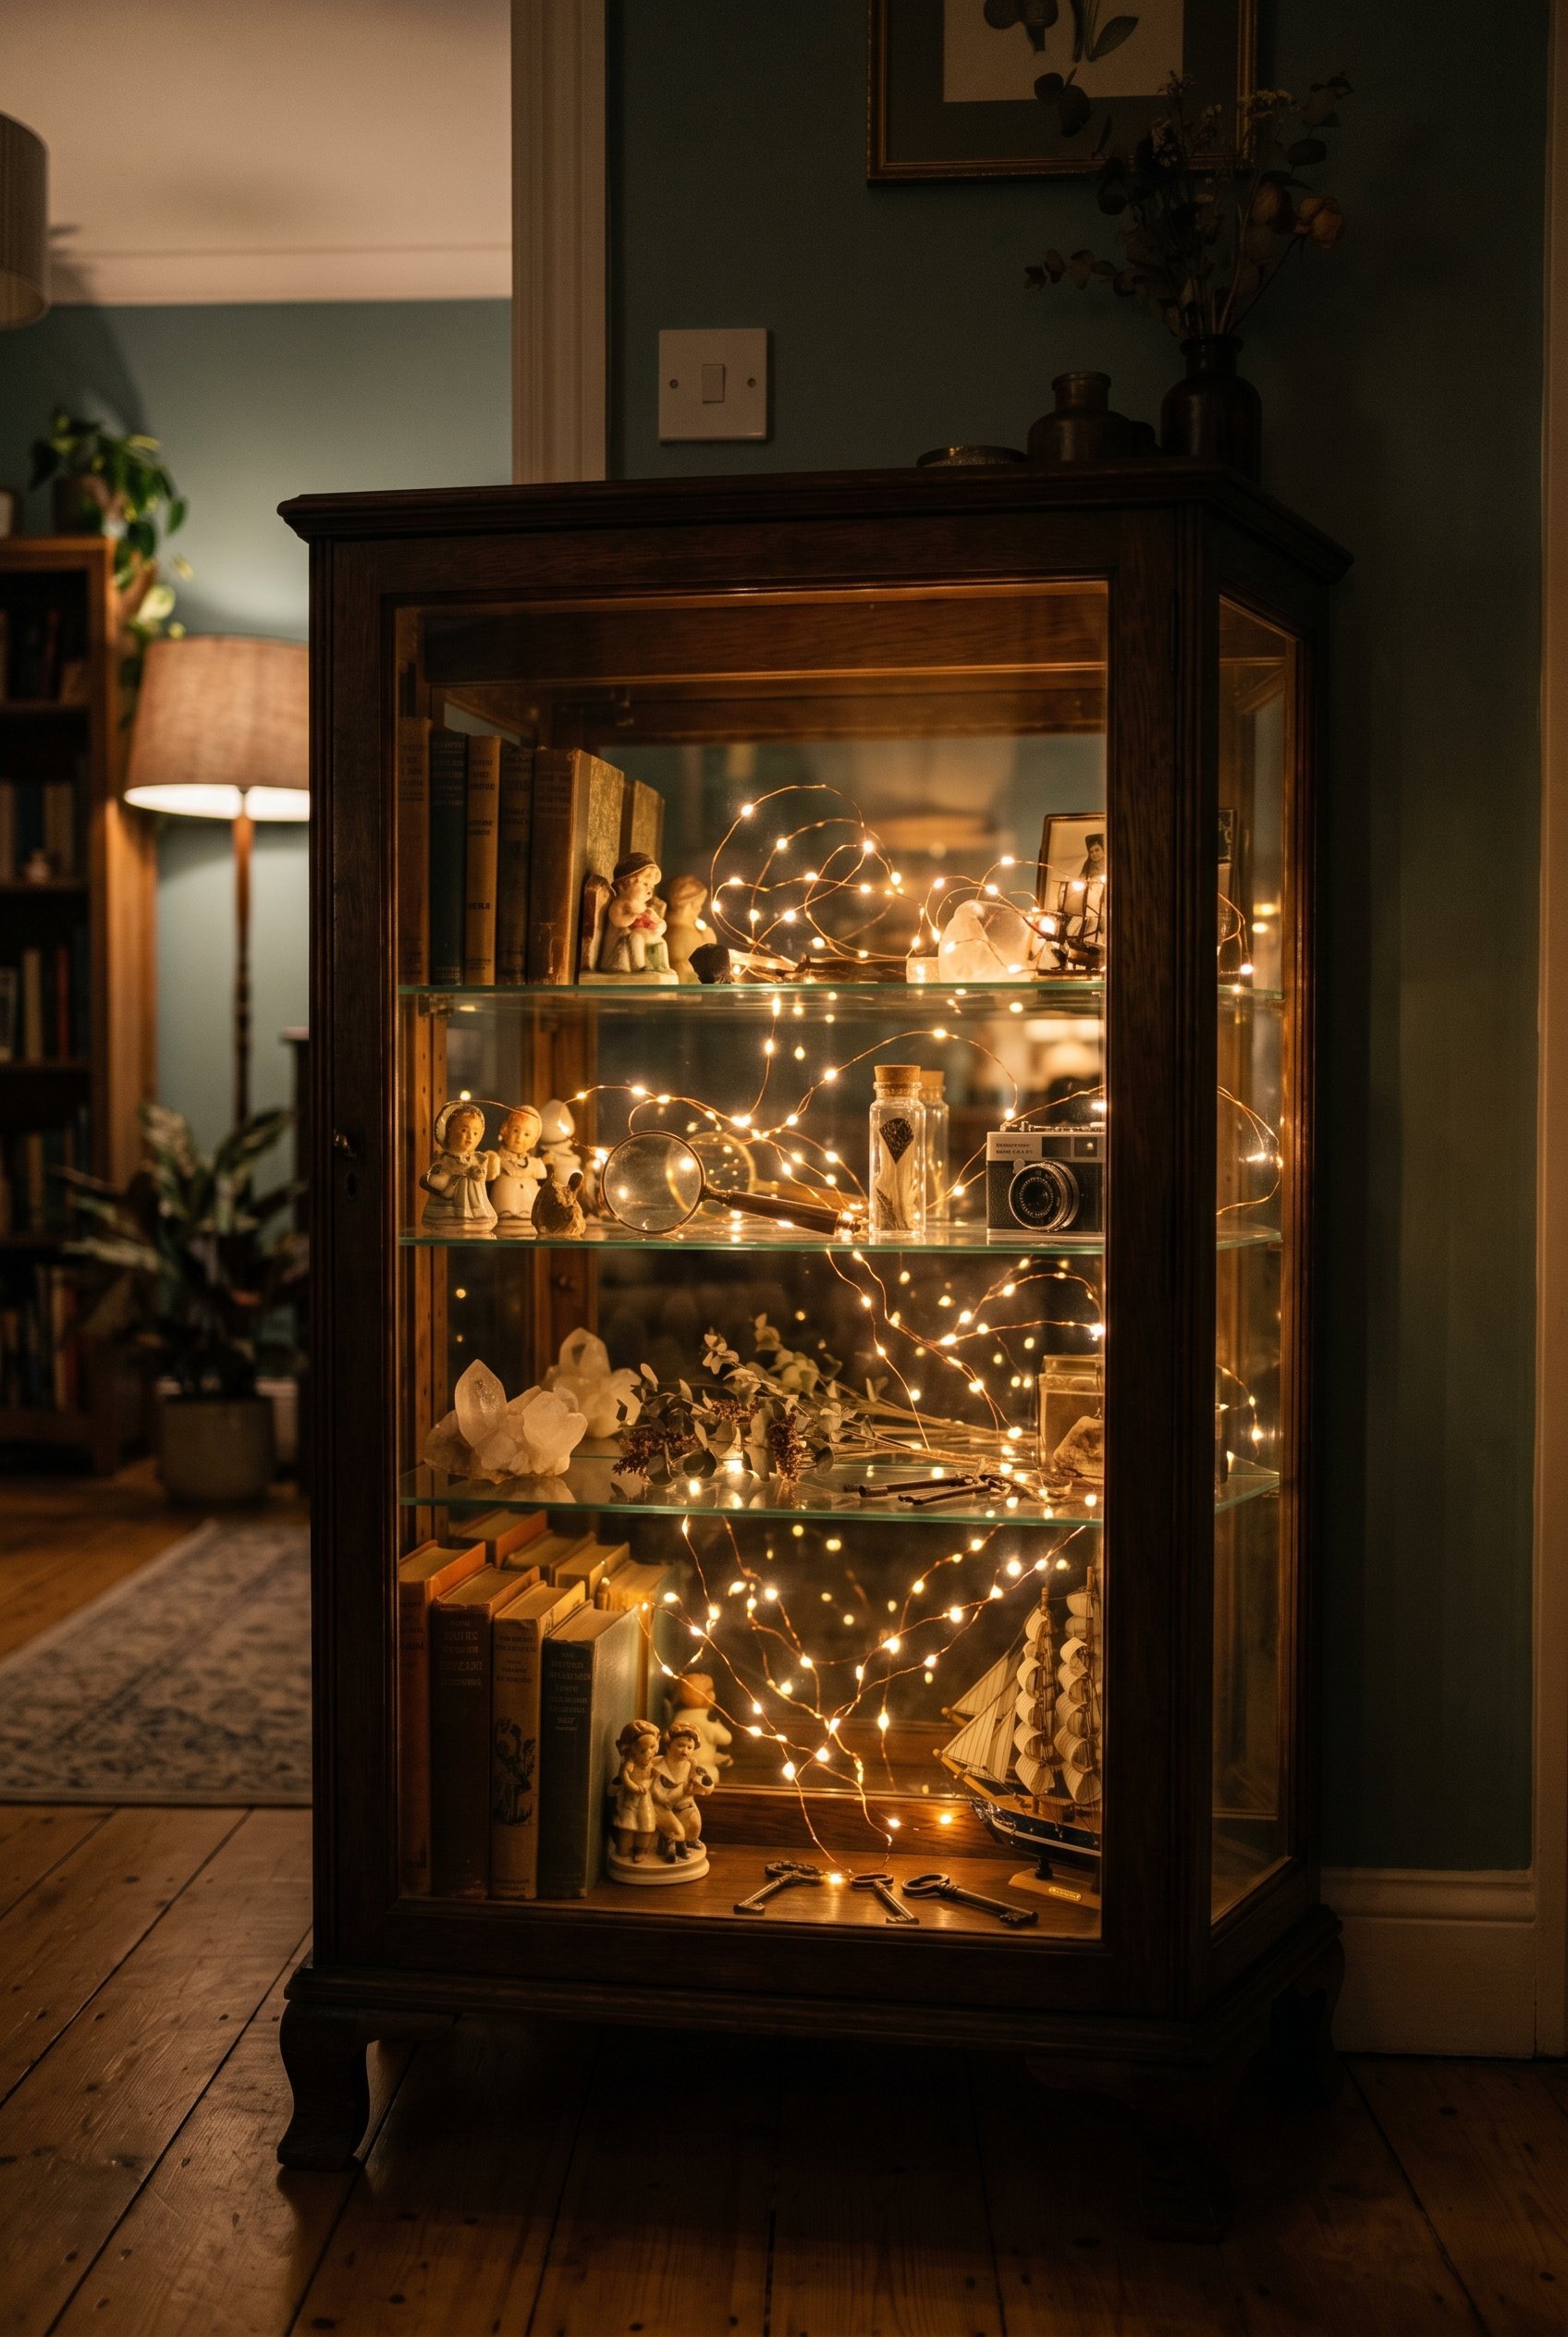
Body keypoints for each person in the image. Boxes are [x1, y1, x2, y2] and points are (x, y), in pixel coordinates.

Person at [418, 1102, 497, 1235]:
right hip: (449, 1210)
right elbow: (435, 1178)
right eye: (464, 1130)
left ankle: (478, 1219)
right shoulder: (445, 1158)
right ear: (449, 1131)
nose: (470, 1137)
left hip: (476, 1205)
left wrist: (479, 1173)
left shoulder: (478, 1159)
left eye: (476, 1132)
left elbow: (482, 1179)